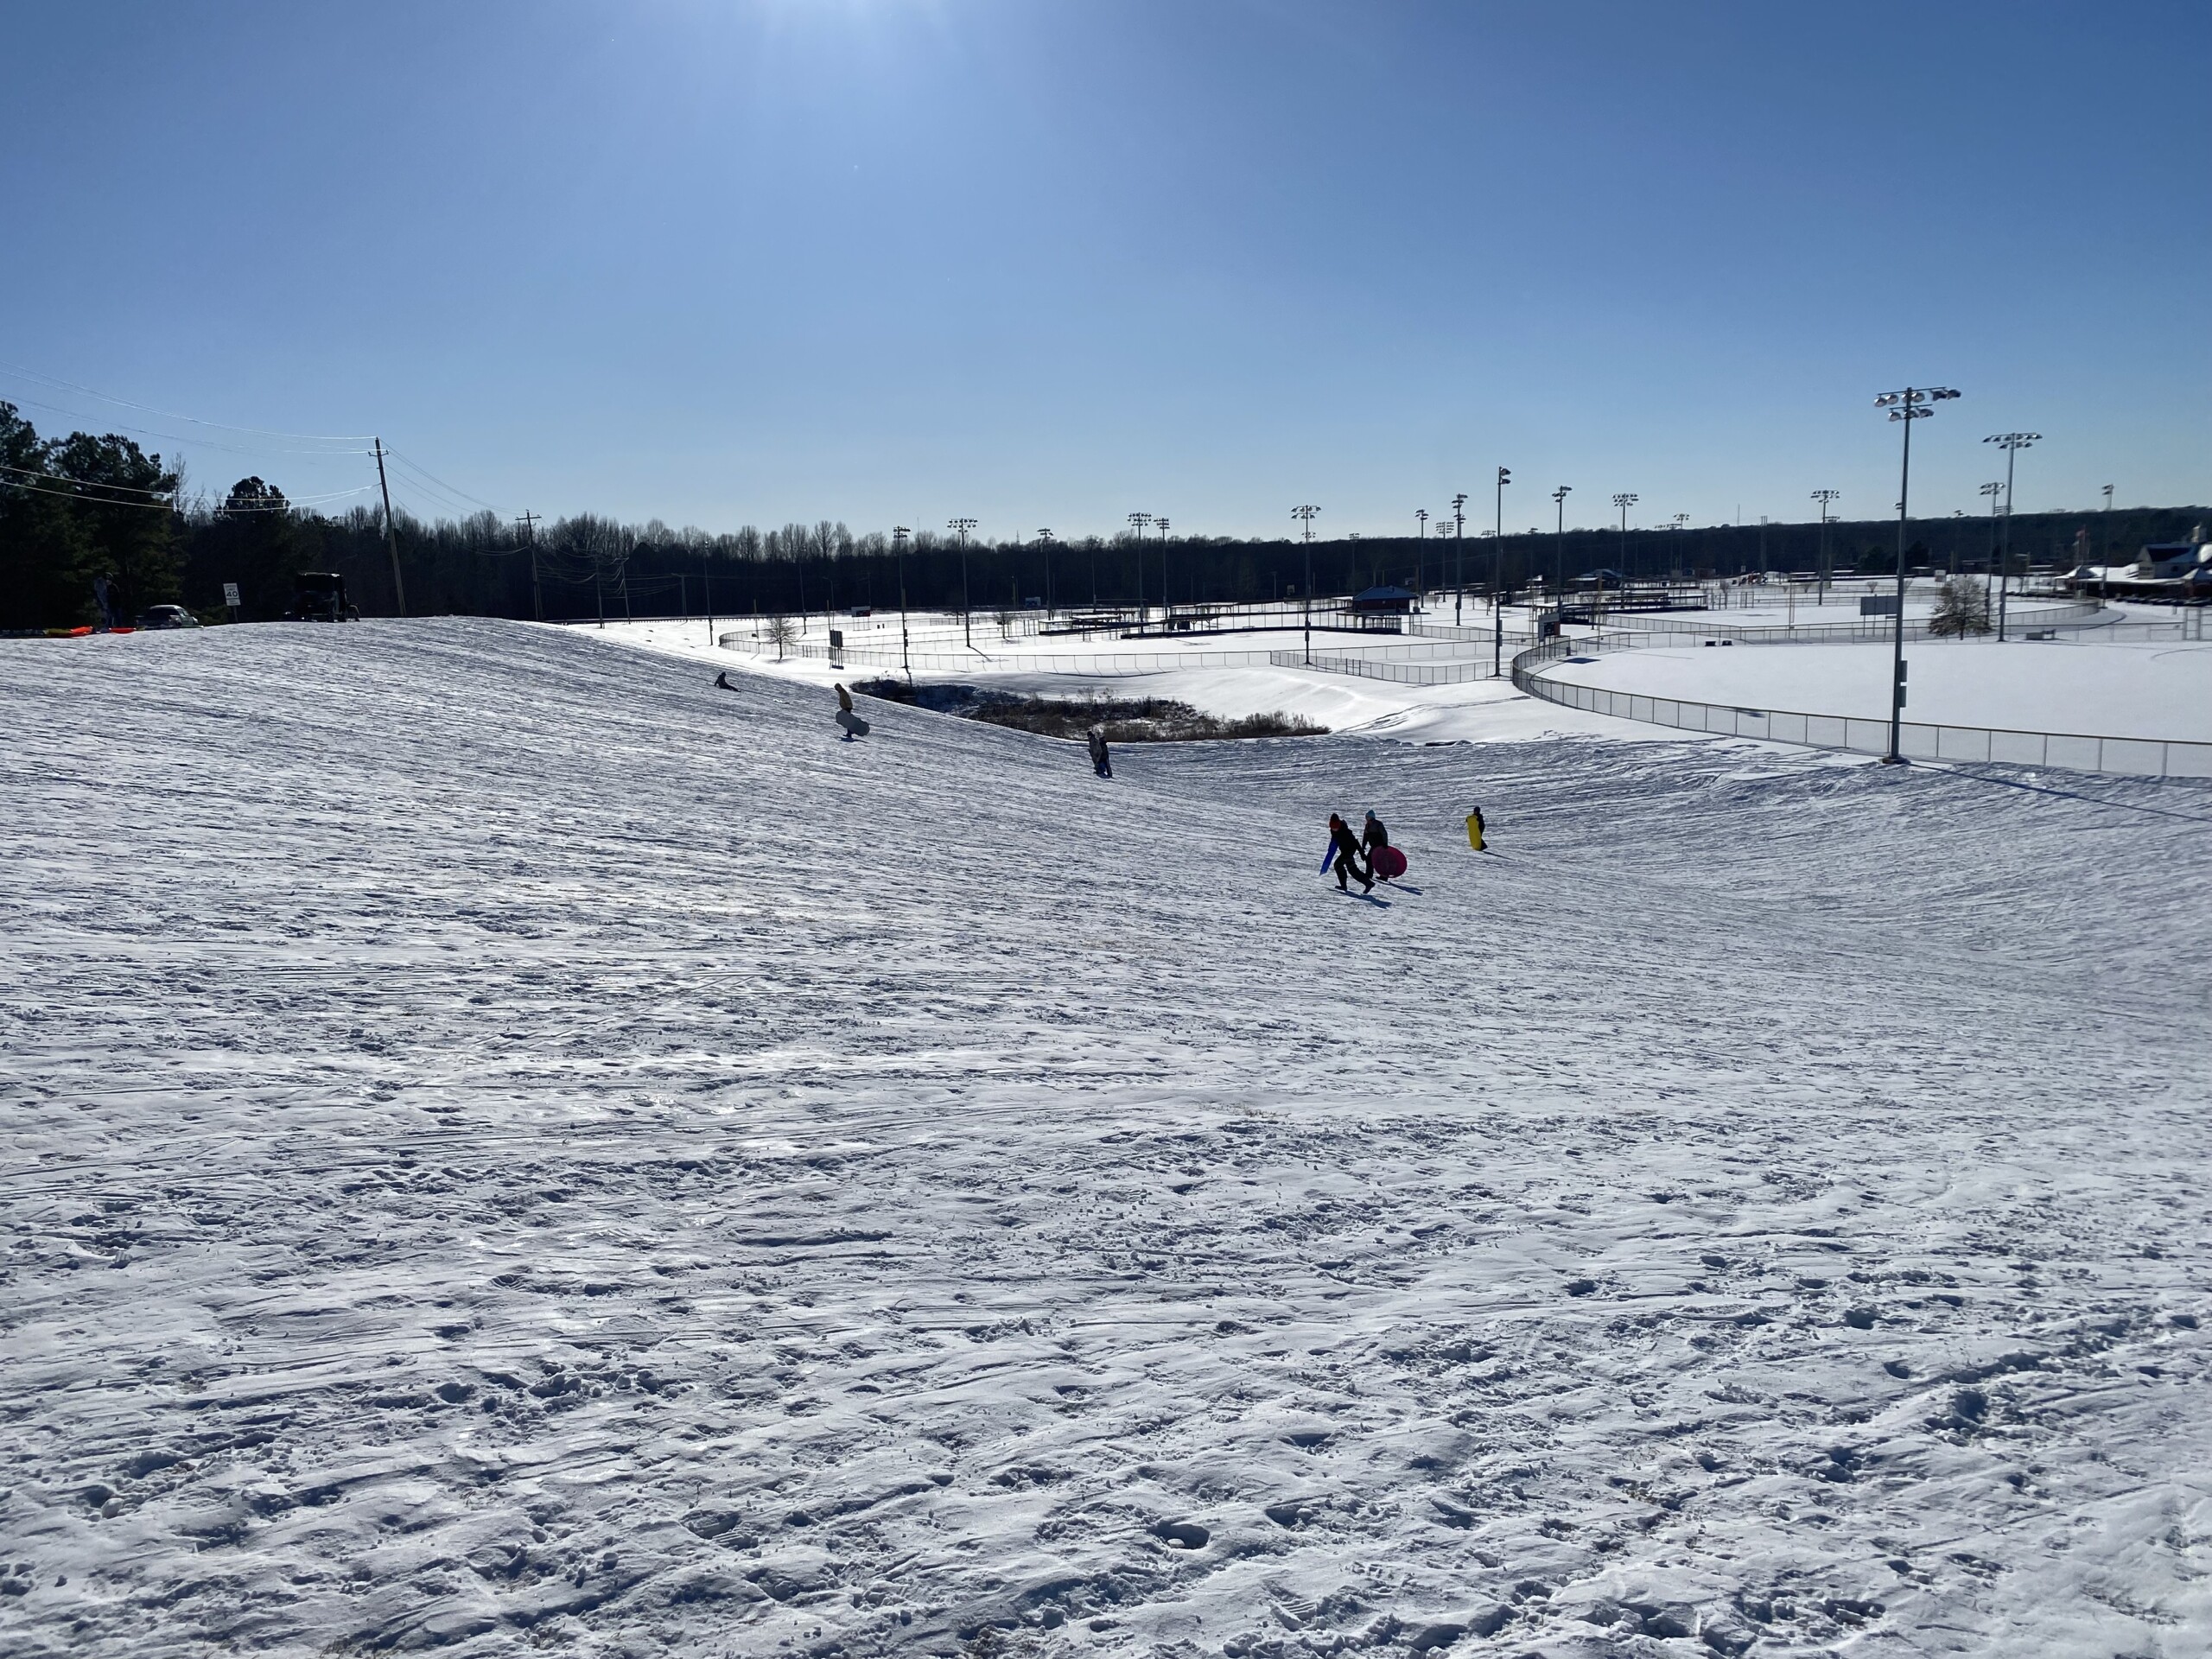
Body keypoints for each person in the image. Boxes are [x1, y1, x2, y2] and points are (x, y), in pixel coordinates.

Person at [1327, 813, 1371, 894]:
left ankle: (1344, 885)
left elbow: (1355, 842)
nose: (1334, 829)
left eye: (1335, 827)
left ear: (1338, 825)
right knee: (1352, 870)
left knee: (1338, 865)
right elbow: (1334, 839)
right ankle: (1368, 883)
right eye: (1332, 828)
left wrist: (1362, 853)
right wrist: (1331, 848)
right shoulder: (1333, 831)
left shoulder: (1345, 831)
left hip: (1350, 850)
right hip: (1344, 850)